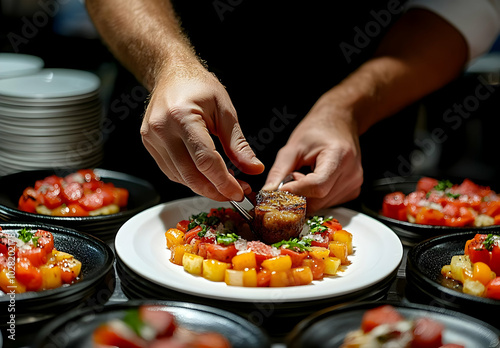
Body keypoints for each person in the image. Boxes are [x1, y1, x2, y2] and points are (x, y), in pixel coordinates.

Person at [85, 0, 500, 213]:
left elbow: (468, 7)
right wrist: (168, 64)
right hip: (164, 128)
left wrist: (347, 108)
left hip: (360, 152)